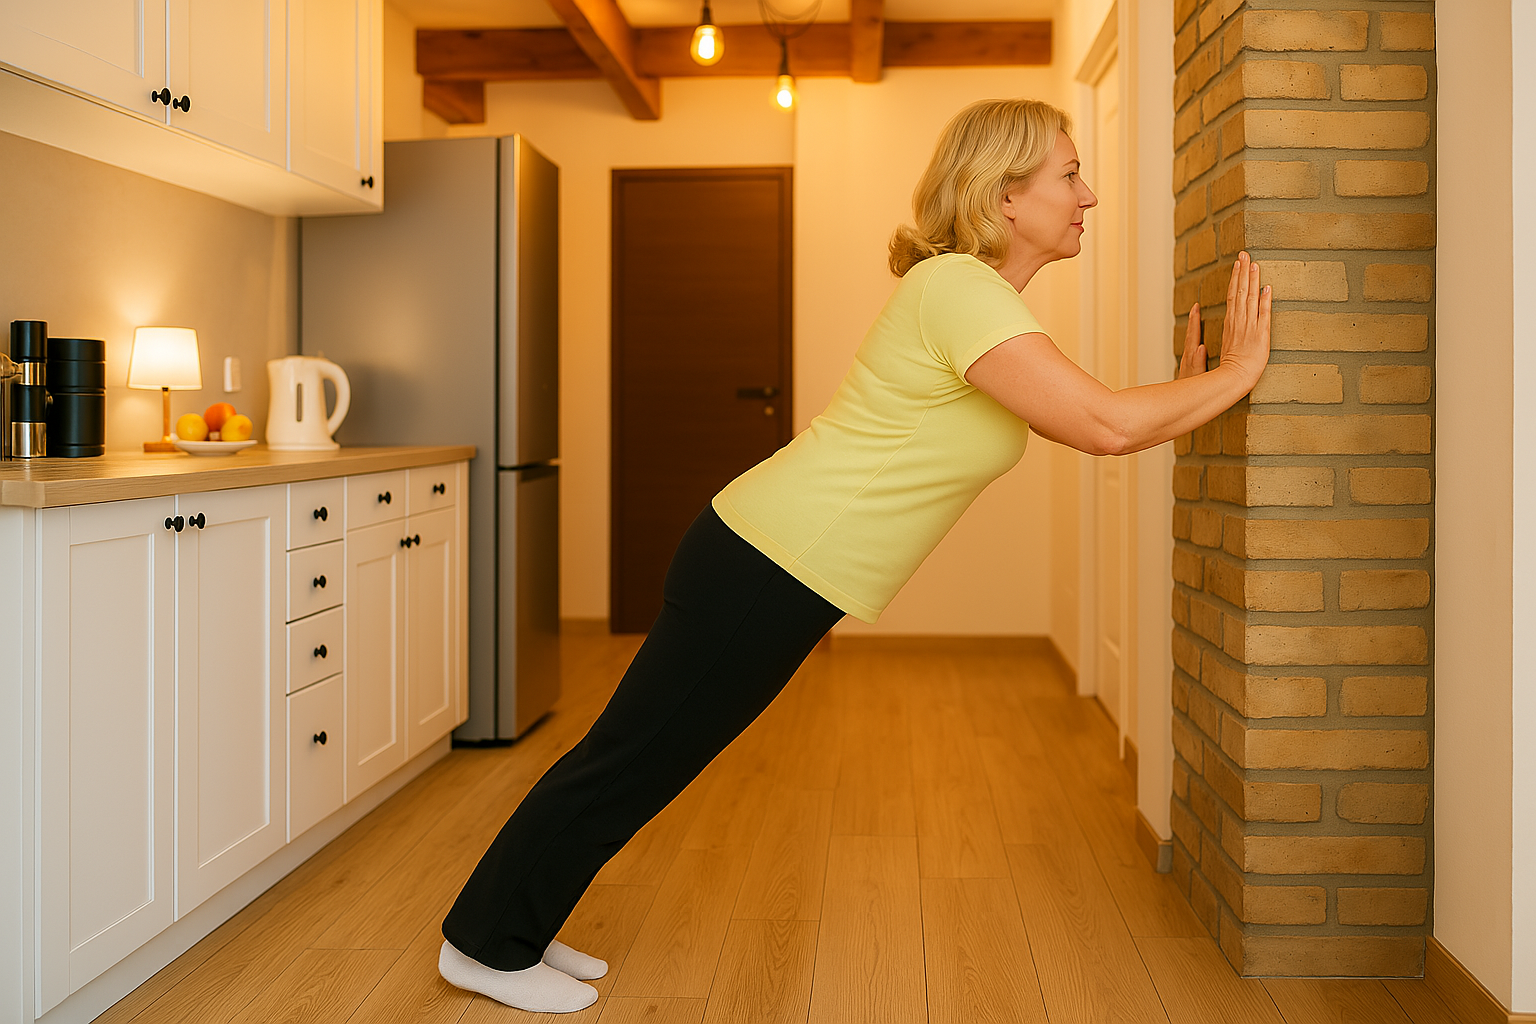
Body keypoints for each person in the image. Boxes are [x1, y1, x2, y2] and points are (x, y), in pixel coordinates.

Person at [435, 97, 1273, 1013]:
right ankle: (484, 944)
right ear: (1004, 197)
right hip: (764, 561)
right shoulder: (958, 291)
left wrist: (1193, 396)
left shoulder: (974, 300)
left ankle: (516, 920)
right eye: (1070, 175)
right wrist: (1234, 378)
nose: (1090, 195)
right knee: (635, 755)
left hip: (775, 563)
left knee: (647, 753)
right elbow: (1106, 425)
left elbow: (1095, 423)